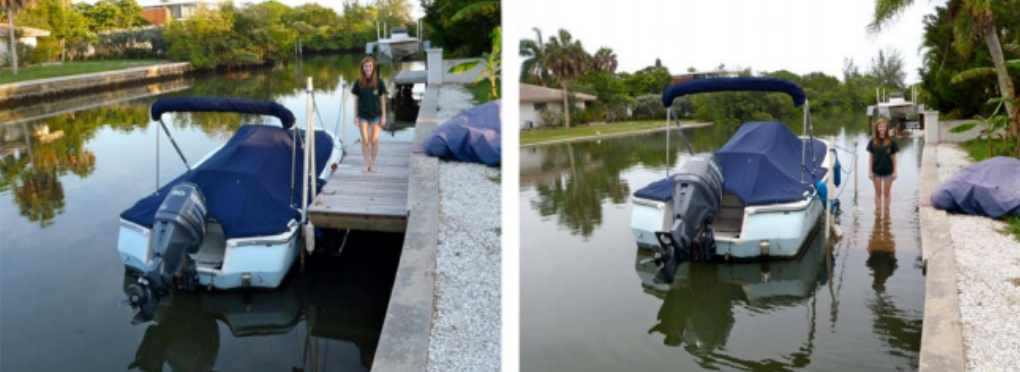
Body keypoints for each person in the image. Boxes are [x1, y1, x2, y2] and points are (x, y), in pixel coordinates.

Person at [352, 56, 387, 173]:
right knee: (365, 140)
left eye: (370, 66)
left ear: (373, 68)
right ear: (363, 68)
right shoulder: (358, 83)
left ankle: (373, 163)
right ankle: (366, 163)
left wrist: (384, 116)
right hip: (362, 116)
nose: (368, 68)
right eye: (366, 66)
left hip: (376, 115)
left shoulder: (379, 82)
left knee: (374, 140)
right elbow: (356, 100)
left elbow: (382, 99)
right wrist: (355, 116)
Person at [867, 117, 899, 201]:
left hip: (888, 171)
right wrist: (870, 171)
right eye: (880, 126)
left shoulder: (892, 142)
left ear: (886, 128)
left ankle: (887, 213)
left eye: (884, 126)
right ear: (877, 128)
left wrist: (895, 172)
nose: (882, 128)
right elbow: (871, 157)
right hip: (876, 172)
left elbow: (894, 158)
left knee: (887, 193)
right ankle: (877, 213)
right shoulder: (872, 142)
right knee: (878, 193)